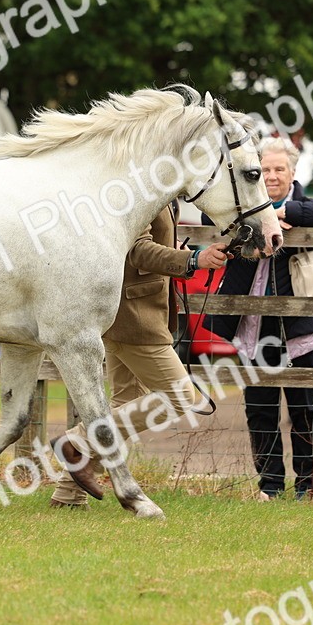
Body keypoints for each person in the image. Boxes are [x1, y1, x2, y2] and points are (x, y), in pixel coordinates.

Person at [49, 201, 225, 508]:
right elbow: (138, 250)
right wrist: (194, 259)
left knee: (125, 403)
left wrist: (180, 251)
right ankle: (77, 441)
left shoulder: (160, 191)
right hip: (135, 318)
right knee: (182, 397)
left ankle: (67, 495)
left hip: (134, 312)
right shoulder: (141, 191)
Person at [202, 137, 313, 501]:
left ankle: (308, 486)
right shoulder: (243, 206)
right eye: (265, 169)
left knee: (305, 409)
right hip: (254, 326)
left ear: (293, 172)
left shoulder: (305, 207)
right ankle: (270, 486)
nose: (273, 175)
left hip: (300, 327)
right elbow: (206, 216)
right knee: (260, 409)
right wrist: (259, 217)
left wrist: (286, 215)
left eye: (280, 169)